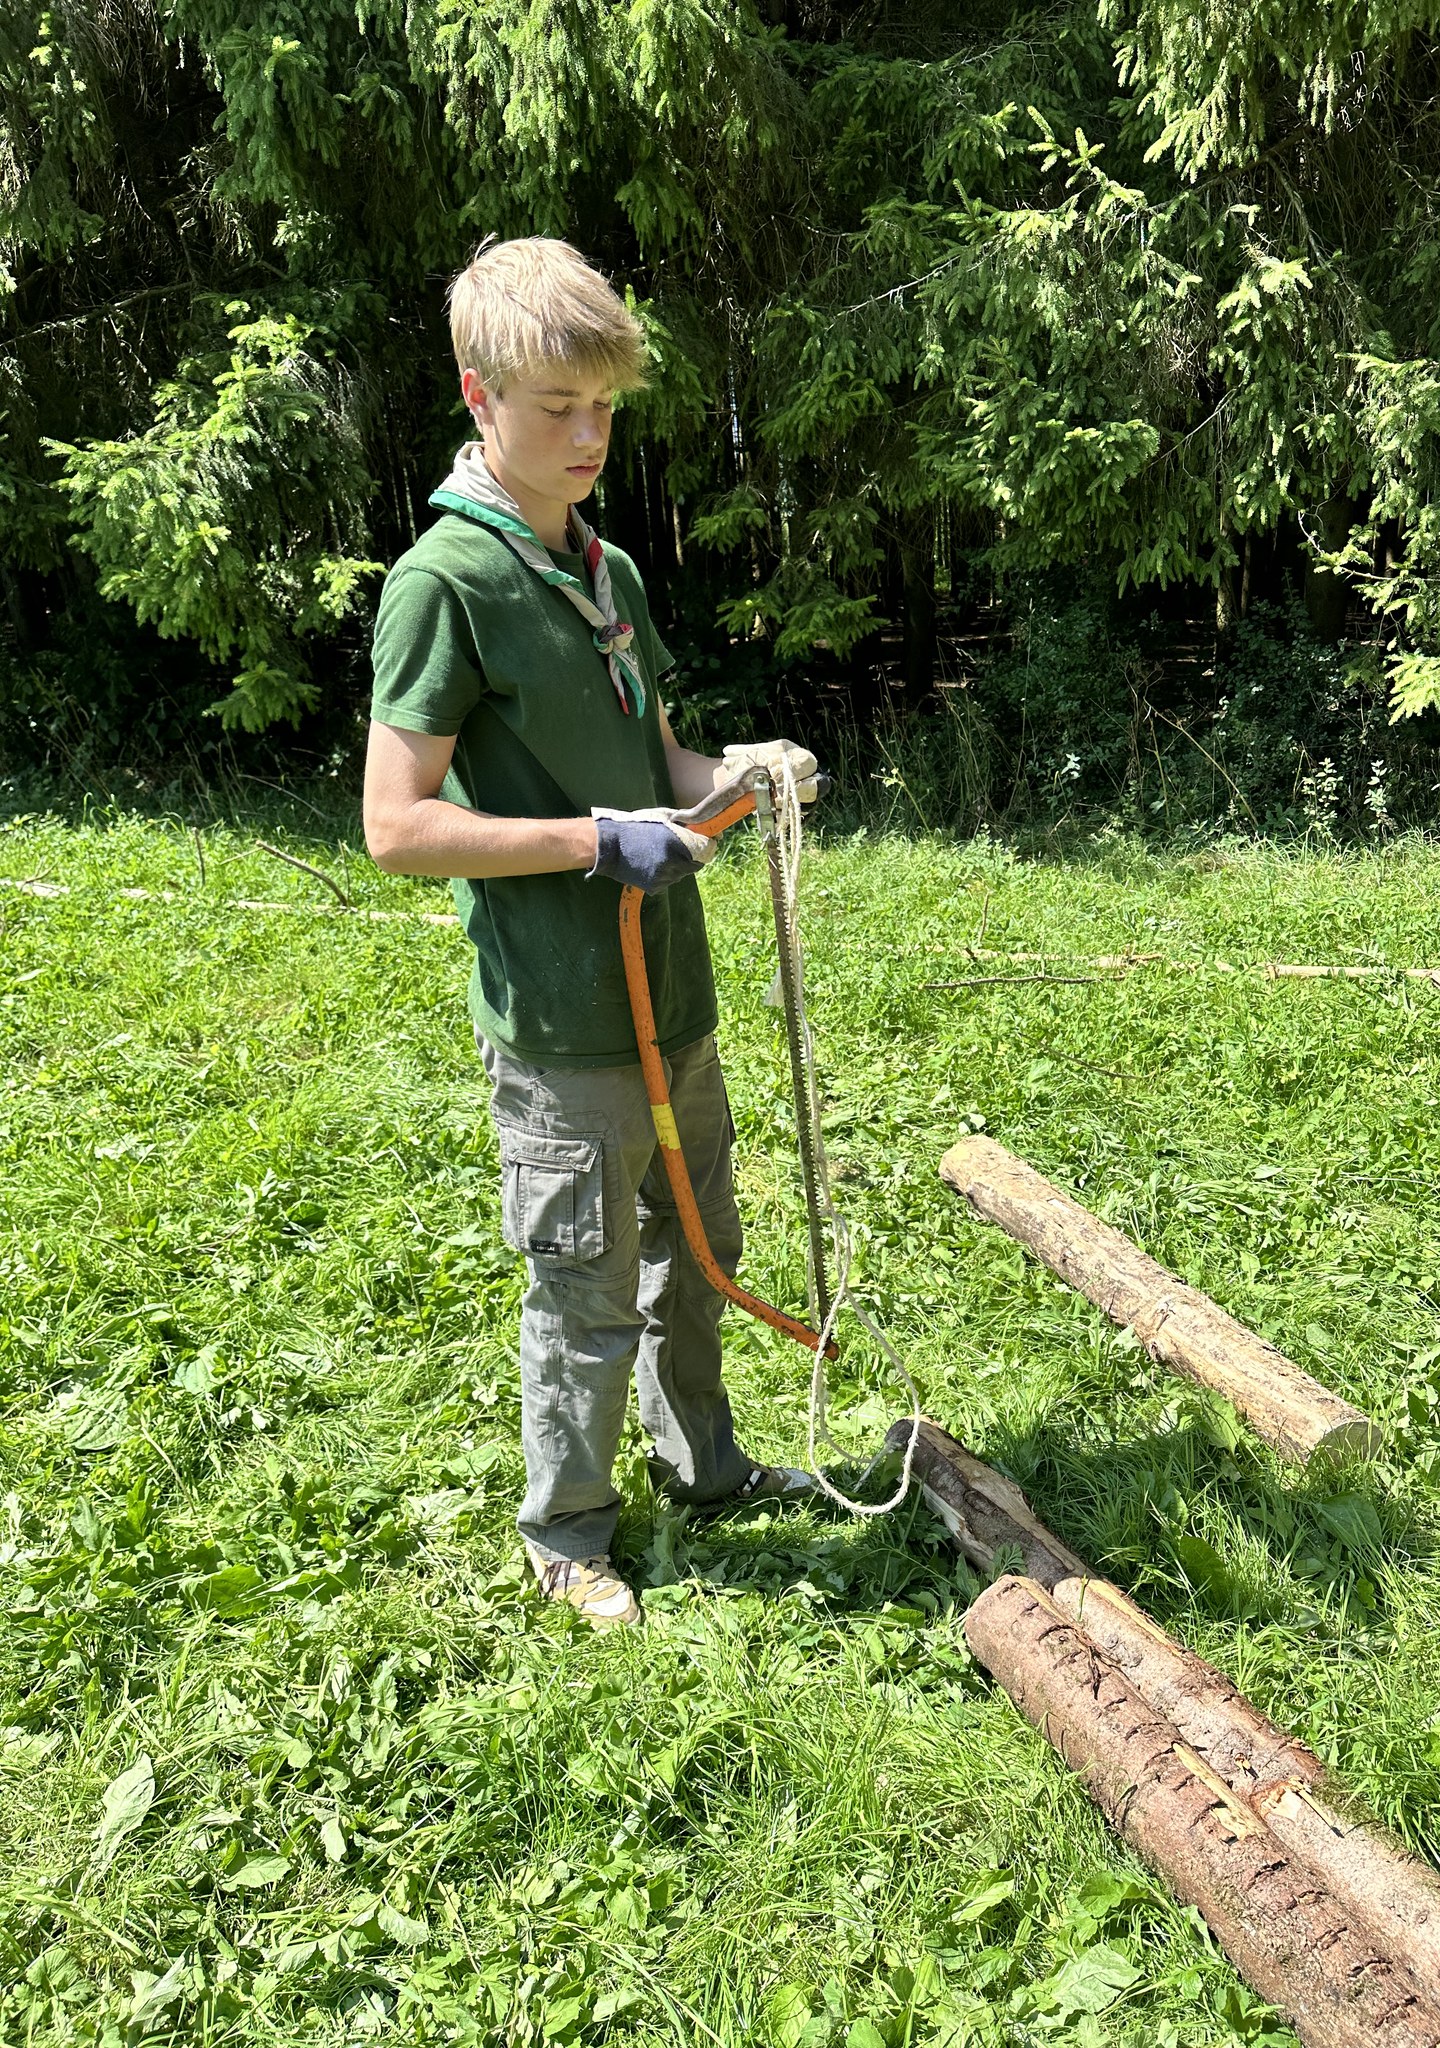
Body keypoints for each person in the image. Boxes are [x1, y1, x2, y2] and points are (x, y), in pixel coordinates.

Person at [363, 237, 820, 1628]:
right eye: (556, 407)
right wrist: (584, 842)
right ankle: (566, 1536)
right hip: (566, 1024)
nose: (586, 436)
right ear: (479, 395)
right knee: (587, 1290)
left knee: (700, 1256)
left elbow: (668, 768)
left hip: (673, 1005)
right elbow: (395, 825)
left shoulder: (607, 567)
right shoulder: (444, 583)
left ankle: (708, 1469)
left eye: (604, 409)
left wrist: (741, 776)